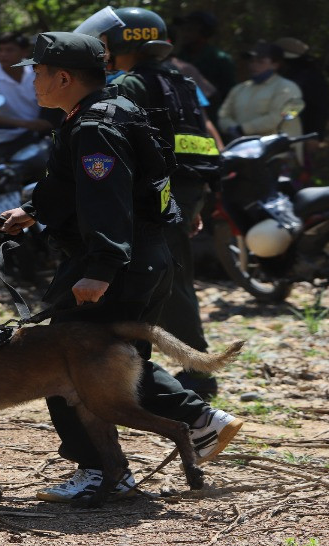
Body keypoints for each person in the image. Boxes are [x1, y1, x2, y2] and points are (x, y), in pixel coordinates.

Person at [0, 32, 242, 502]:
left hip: (115, 264)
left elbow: (107, 202)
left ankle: (99, 471)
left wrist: (101, 269)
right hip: (146, 259)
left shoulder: (94, 127)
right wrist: (32, 209)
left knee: (64, 360)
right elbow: (77, 186)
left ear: (64, 77)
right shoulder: (106, 113)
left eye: (39, 72)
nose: (33, 81)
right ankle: (201, 421)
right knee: (115, 360)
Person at [90, 7, 223, 398]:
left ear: (120, 42)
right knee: (174, 279)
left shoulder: (130, 85)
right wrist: (194, 205)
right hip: (186, 191)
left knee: (166, 282)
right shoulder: (180, 80)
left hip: (158, 196)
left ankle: (194, 375)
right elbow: (199, 144)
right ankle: (181, 368)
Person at [0, 31, 53, 161]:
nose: (3, 54)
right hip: (10, 140)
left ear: (24, 52)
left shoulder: (37, 70)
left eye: (9, 50)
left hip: (44, 133)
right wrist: (25, 124)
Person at [218, 43, 304, 146]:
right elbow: (223, 115)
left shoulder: (288, 87)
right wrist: (232, 128)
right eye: (252, 61)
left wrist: (242, 129)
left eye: (260, 61)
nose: (254, 65)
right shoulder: (239, 89)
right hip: (242, 151)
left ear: (275, 65)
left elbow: (277, 118)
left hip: (277, 152)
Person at [275, 37, 329, 182]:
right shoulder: (284, 76)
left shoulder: (309, 77)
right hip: (282, 137)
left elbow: (318, 108)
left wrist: (314, 136)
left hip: (302, 137)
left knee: (296, 180)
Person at [172, 10, 235, 122]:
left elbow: (228, 94)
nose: (185, 33)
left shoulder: (220, 59)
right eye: (183, 29)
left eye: (190, 29)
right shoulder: (179, 56)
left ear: (204, 33)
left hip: (211, 117)